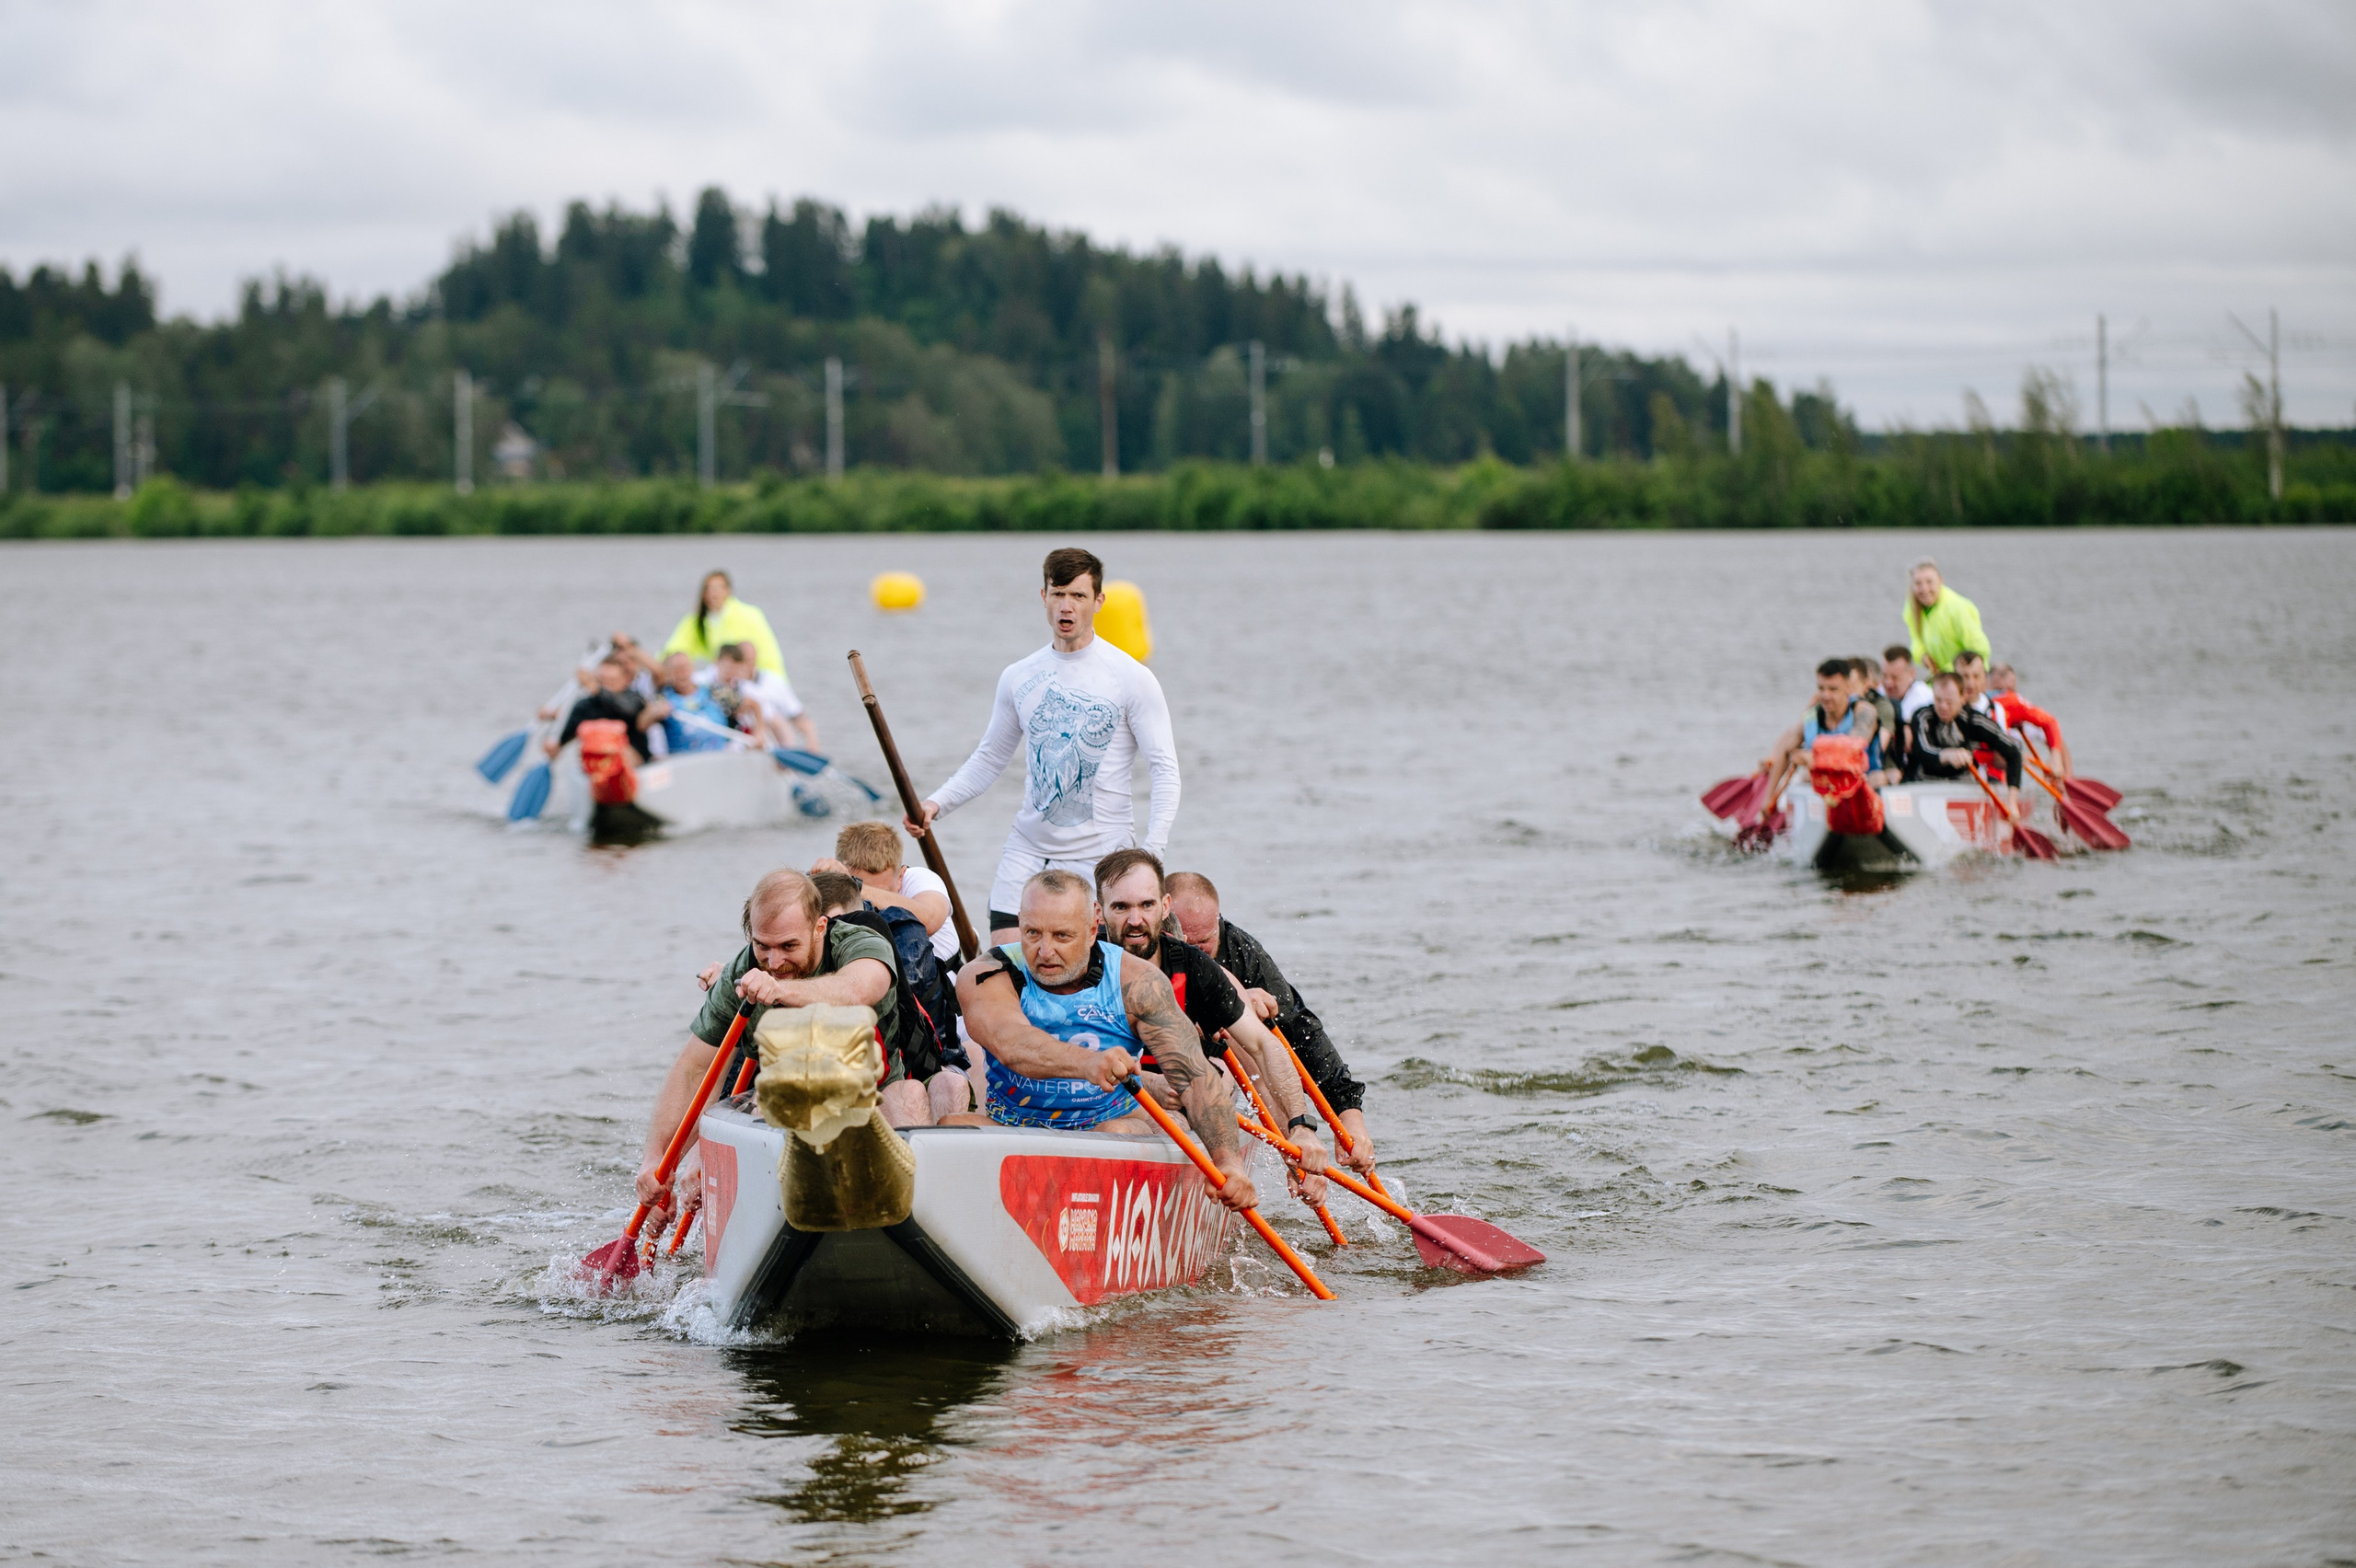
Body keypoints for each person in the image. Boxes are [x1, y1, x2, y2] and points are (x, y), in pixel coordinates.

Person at [942, 870, 1259, 1215]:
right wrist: (1087, 1062)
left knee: (1114, 1131)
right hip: (1015, 1128)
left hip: (1108, 1128)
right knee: (950, 1129)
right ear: (1020, 922)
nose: (1044, 951)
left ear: (1094, 928)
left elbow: (1194, 1077)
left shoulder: (1137, 982)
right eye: (1032, 933)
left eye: (1062, 936)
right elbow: (1012, 1044)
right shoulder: (987, 973)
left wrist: (1228, 1163)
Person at [908, 548, 1180, 944]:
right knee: (1006, 962)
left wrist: (1151, 854)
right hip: (1028, 851)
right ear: (1044, 596)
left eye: (1078, 595)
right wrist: (935, 804)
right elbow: (989, 759)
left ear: (1098, 601)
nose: (1066, 606)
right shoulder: (1018, 676)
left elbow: (1165, 770)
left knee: (1088, 971)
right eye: (1058, 594)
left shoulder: (1130, 678)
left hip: (1104, 858)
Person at [638, 870, 934, 1229]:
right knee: (754, 1108)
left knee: (912, 1094)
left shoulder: (862, 944)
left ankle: (910, 1219)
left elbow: (856, 989)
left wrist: (782, 992)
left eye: (788, 947)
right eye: (762, 946)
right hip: (790, 1111)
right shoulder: (740, 975)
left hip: (877, 1103)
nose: (774, 963)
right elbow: (693, 1070)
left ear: (819, 928)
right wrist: (656, 1163)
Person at [1093, 849, 1328, 1197]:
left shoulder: (1197, 970)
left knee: (1178, 1109)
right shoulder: (1078, 961)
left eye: (1146, 905)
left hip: (1182, 1103)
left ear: (1165, 906)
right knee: (1120, 1127)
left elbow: (1262, 1050)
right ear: (1099, 912)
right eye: (1121, 907)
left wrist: (1299, 1131)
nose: (1135, 920)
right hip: (1109, 1101)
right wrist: (1148, 1082)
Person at [1165, 870, 1377, 1178]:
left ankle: (1298, 1158)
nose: (1195, 953)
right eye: (1186, 942)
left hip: (1223, 1059)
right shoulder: (1139, 946)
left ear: (1218, 923)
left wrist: (1349, 1116)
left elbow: (1301, 1032)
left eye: (1205, 942)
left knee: (1248, 1038)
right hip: (1162, 1066)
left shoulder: (1241, 952)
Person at [816, 820, 957, 966]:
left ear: (900, 876)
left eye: (882, 892)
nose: (871, 904)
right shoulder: (838, 885)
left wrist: (855, 887)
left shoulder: (920, 879)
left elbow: (930, 922)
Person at [1759, 659, 1882, 804]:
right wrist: (1768, 799)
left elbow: (1851, 749)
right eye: (1821, 688)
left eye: (1833, 689)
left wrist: (1811, 758)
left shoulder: (1864, 712)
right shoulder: (1811, 717)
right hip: (1826, 792)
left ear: (1849, 688)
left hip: (1862, 789)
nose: (1825, 696)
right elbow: (1785, 750)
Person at [1902, 672, 2022, 792]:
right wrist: (1948, 755)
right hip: (1924, 784)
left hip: (1962, 785)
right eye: (1938, 700)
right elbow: (1922, 751)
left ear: (1963, 697)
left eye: (1949, 702)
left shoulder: (1974, 719)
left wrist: (2012, 798)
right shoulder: (1922, 716)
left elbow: (2013, 752)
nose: (1943, 707)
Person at [663, 570, 786, 674]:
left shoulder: (749, 615)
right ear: (704, 594)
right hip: (721, 677)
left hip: (753, 677)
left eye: (719, 588)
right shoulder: (696, 621)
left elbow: (769, 656)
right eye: (710, 589)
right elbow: (675, 647)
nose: (714, 593)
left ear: (728, 591)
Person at [549, 652, 657, 761]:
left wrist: (598, 689)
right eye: (602, 681)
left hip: (634, 761)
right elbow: (563, 736)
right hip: (597, 762)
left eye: (611, 681)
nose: (606, 686)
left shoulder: (634, 699)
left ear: (626, 680)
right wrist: (554, 741)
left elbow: (628, 710)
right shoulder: (585, 705)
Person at [714, 641, 820, 753]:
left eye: (750, 661)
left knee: (775, 719)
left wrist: (812, 740)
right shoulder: (716, 680)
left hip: (766, 741)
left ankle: (785, 752)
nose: (746, 666)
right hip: (731, 739)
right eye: (741, 661)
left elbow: (797, 716)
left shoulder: (773, 683)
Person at [1903, 558, 1992, 676]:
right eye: (1918, 583)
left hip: (1963, 678)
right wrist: (1922, 655)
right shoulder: (1912, 609)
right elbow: (1915, 640)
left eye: (1929, 582)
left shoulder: (1957, 608)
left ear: (1941, 581)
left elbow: (1979, 649)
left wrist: (1949, 671)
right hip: (1939, 678)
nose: (1924, 589)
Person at [1989, 663, 2073, 776]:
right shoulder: (2010, 702)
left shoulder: (2016, 707)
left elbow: (2053, 730)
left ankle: (2066, 777)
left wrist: (2057, 763)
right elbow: (2052, 725)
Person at [644, 652, 737, 755]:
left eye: (685, 668)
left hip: (718, 755)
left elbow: (746, 704)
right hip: (685, 759)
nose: (682, 673)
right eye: (677, 669)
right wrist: (656, 713)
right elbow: (642, 724)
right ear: (669, 673)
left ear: (692, 668)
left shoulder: (714, 692)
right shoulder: (663, 698)